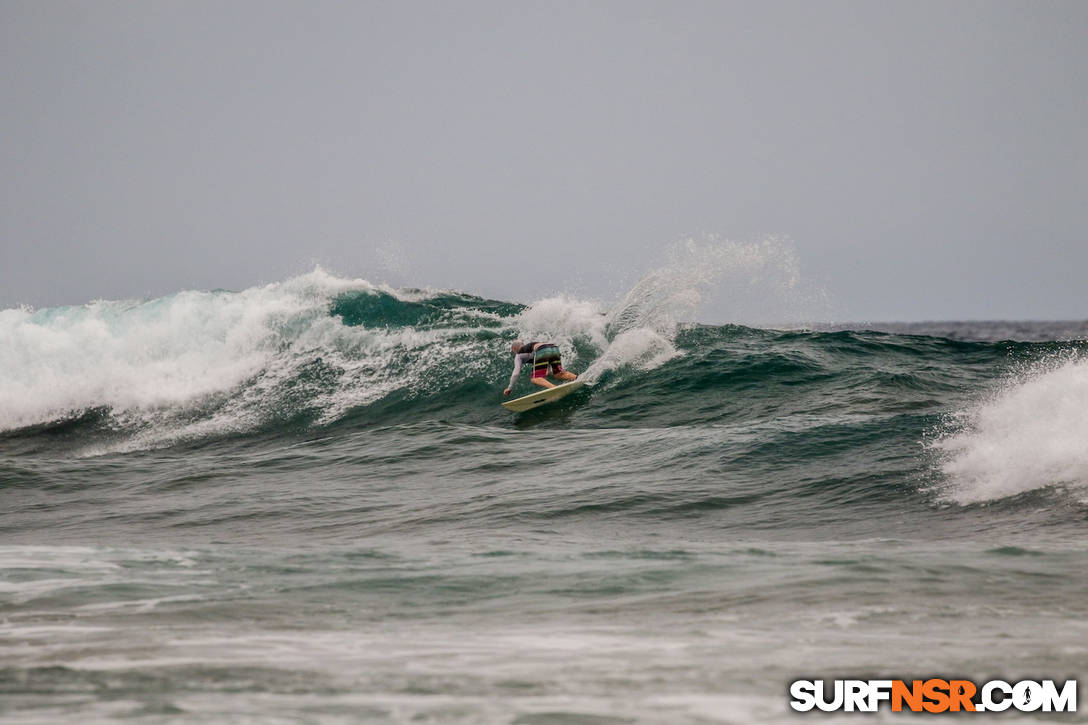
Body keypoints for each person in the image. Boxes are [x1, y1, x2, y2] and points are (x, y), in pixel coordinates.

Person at [503, 340, 577, 396]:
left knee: (535, 378)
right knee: (558, 374)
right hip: (553, 347)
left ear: (515, 348)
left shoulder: (519, 355)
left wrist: (509, 388)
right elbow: (546, 358)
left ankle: (554, 388)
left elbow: (516, 373)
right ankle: (577, 378)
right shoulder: (529, 347)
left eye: (513, 351)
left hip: (542, 349)